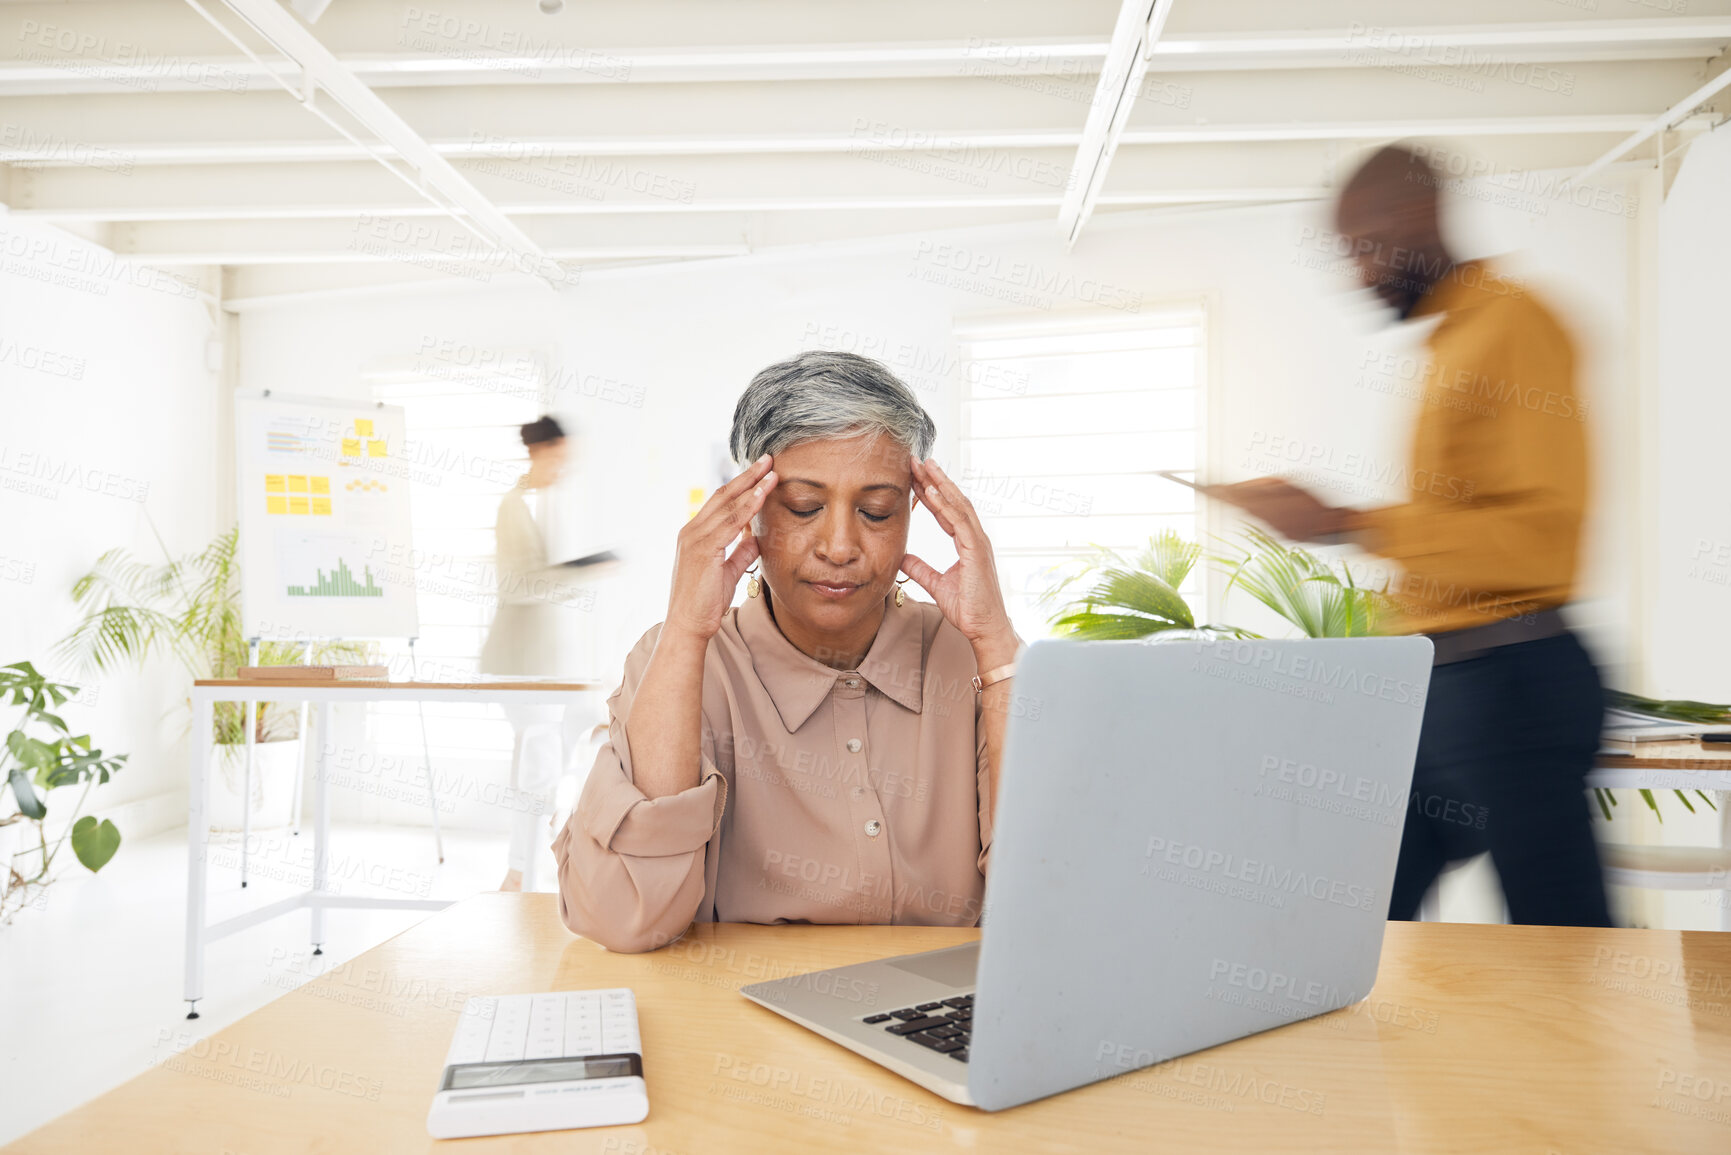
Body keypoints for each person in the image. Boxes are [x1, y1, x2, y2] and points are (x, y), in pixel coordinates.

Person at [1211, 144, 1611, 928]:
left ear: (1417, 217)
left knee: (1565, 948)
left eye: (1362, 245)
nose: (1354, 274)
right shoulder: (1447, 343)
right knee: (1356, 920)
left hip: (1514, 680)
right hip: (1447, 688)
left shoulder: (1514, 326)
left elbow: (1538, 544)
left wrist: (1345, 523)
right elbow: (1454, 539)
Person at [552, 351, 1023, 952]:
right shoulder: (681, 661)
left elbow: (1051, 897)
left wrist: (995, 641)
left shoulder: (974, 657)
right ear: (749, 510)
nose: (840, 546)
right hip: (744, 1021)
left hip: (941, 1026)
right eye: (804, 507)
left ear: (914, 510)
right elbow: (627, 919)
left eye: (876, 511)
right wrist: (686, 634)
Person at [480, 415, 591, 892]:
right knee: (537, 767)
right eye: (559, 456)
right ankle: (518, 872)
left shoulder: (544, 504)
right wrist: (578, 572)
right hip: (522, 663)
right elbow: (518, 584)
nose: (564, 467)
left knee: (556, 760)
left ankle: (532, 860)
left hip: (549, 663)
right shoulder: (515, 506)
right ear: (541, 452)